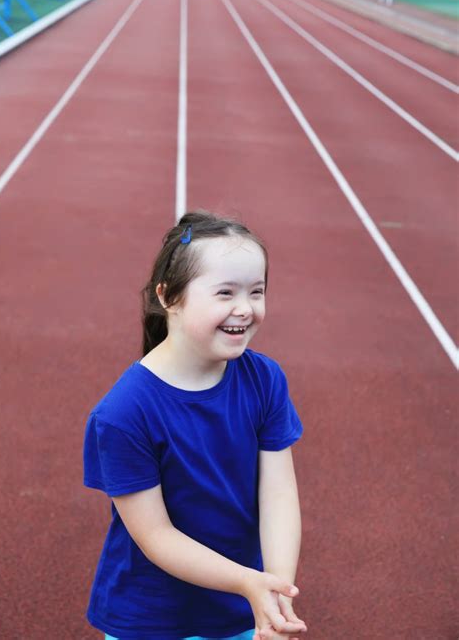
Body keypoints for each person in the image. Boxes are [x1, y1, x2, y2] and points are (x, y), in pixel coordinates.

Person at [83, 210, 308, 640]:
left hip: (241, 607)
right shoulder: (124, 413)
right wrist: (249, 582)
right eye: (225, 292)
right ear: (168, 297)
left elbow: (278, 493)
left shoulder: (265, 380)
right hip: (151, 617)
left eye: (256, 291)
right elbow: (156, 537)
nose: (245, 308)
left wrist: (276, 589)